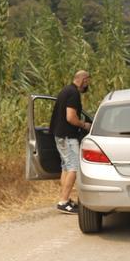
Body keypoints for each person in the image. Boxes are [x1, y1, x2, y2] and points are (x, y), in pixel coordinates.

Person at [50, 70, 92, 213]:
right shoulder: (74, 94)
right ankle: (63, 202)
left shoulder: (65, 90)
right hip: (68, 136)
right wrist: (84, 125)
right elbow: (70, 117)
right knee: (74, 168)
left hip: (60, 135)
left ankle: (66, 199)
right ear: (83, 79)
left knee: (66, 167)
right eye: (87, 81)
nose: (87, 84)